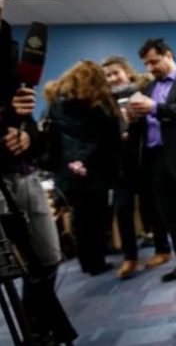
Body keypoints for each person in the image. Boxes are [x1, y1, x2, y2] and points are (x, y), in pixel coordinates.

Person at [1, 2, 77, 344]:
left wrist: (26, 134)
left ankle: (39, 325)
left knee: (47, 257)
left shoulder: (11, 50)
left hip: (24, 174)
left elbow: (26, 117)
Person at [130, 38, 176, 282]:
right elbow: (148, 118)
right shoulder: (150, 87)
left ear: (168, 55)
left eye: (154, 61)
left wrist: (155, 108)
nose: (150, 67)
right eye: (146, 63)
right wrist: (134, 116)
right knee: (170, 216)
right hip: (155, 159)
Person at [44, 60, 122, 278]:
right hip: (94, 170)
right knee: (95, 219)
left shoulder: (56, 103)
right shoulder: (95, 106)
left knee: (79, 219)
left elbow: (53, 140)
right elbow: (109, 138)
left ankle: (87, 262)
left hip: (66, 171)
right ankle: (97, 261)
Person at [101, 56, 158, 279]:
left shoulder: (143, 93)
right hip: (119, 167)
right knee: (122, 210)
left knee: (152, 208)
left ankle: (162, 249)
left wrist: (135, 120)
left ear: (127, 72)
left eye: (116, 73)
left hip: (144, 161)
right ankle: (130, 257)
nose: (113, 78)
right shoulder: (104, 103)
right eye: (108, 76)